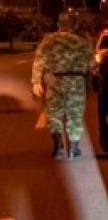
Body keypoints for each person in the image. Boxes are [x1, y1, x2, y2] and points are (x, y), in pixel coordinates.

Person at [31, 12, 95, 159]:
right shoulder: (80, 41)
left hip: (55, 82)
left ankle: (58, 147)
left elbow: (39, 60)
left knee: (54, 114)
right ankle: (74, 149)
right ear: (72, 26)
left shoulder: (48, 40)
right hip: (76, 83)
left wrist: (36, 81)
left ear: (59, 25)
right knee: (75, 115)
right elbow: (92, 63)